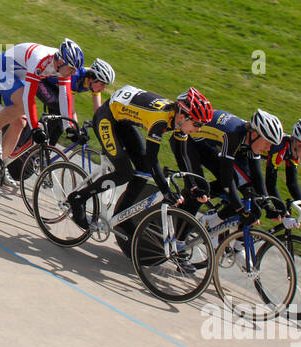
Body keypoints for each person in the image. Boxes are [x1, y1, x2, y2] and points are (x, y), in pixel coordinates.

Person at [65, 86, 212, 242]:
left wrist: (193, 187)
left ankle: (122, 216)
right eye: (197, 124)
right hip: (106, 118)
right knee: (124, 172)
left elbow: (182, 156)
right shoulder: (161, 120)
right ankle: (79, 198)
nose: (198, 129)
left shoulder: (178, 121)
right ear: (183, 116)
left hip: (123, 120)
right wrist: (166, 191)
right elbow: (153, 158)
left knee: (145, 170)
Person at [0, 39, 84, 171]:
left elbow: (65, 97)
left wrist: (69, 127)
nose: (74, 73)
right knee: (21, 105)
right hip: (1, 68)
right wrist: (35, 128)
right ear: (61, 62)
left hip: (18, 75)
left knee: (20, 123)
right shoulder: (41, 60)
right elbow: (28, 98)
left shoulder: (62, 68)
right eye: (72, 69)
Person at [185, 107, 284, 228]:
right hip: (190, 141)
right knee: (201, 191)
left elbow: (256, 175)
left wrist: (267, 205)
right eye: (267, 143)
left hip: (209, 143)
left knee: (243, 185)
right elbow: (227, 178)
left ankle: (209, 222)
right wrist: (240, 209)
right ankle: (178, 240)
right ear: (255, 134)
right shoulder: (234, 135)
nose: (268, 149)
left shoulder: (251, 139)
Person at [266, 119, 301, 223]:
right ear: (298, 143)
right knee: (253, 194)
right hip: (240, 155)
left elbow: (292, 183)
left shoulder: (293, 152)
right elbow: (270, 183)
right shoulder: (279, 148)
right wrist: (282, 209)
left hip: (250, 158)